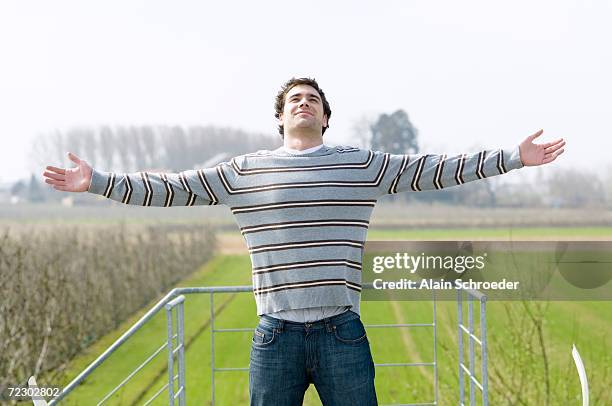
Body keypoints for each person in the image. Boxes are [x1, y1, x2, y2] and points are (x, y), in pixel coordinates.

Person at [43, 77, 565, 405]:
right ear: (280, 117)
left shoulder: (360, 165)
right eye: (294, 99)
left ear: (324, 116)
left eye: (312, 99)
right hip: (275, 337)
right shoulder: (244, 172)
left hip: (343, 333)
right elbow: (170, 188)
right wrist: (96, 182)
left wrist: (515, 157)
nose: (303, 104)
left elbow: (435, 170)